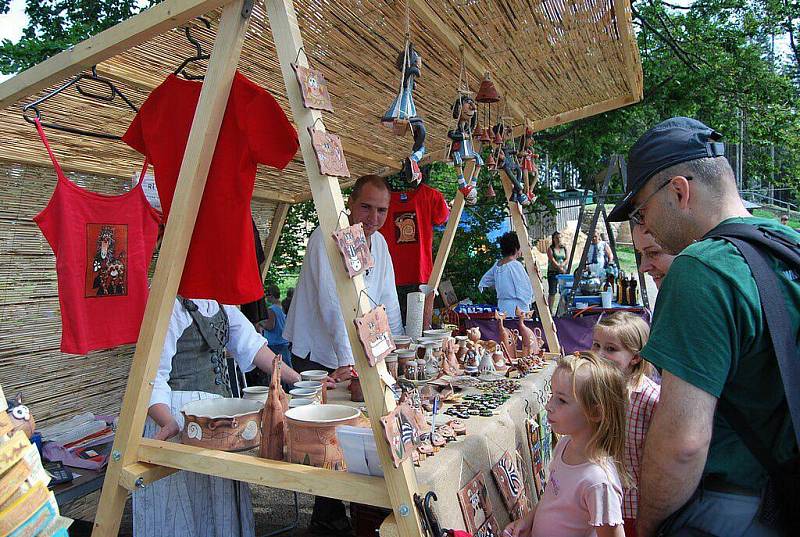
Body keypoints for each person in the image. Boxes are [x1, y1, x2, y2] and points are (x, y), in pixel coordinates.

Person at [606, 117, 799, 537]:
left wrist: (650, 525)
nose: (645, 226)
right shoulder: (787, 246)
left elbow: (682, 444)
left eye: (641, 210)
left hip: (735, 508)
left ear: (679, 190)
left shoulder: (701, 269)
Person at [283, 174, 403, 535]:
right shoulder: (326, 236)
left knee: (355, 433)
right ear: (350, 203)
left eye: (381, 209)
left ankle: (348, 513)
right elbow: (333, 308)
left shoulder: (379, 244)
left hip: (352, 354)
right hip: (316, 350)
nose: (374, 216)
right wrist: (350, 368)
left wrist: (392, 356)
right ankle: (327, 520)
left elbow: (386, 306)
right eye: (366, 206)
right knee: (329, 440)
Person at [135, 297, 306, 537]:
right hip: (180, 417)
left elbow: (254, 347)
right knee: (185, 505)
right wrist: (167, 421)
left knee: (219, 501)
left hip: (219, 422)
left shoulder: (221, 303)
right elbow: (152, 375)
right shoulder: (168, 302)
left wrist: (299, 380)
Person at [503, 352, 628, 537]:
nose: (548, 406)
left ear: (595, 413)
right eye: (552, 395)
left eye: (561, 400)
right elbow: (551, 498)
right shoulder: (564, 445)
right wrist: (528, 520)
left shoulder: (598, 483)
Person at [592, 312, 660, 537]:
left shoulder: (651, 399)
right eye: (596, 345)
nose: (599, 354)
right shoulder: (594, 391)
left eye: (610, 349)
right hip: (599, 500)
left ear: (636, 357)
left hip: (634, 507)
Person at [478, 231, 534, 316]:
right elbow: (526, 288)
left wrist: (501, 288)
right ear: (516, 248)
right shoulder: (515, 265)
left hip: (503, 305)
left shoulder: (497, 264)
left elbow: (485, 281)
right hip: (517, 307)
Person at [257, 284, 291, 367]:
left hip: (275, 342)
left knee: (277, 367)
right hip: (284, 340)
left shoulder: (271, 309)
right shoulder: (282, 306)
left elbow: (270, 326)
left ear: (271, 296)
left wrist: (261, 323)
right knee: (287, 365)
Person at [546, 231, 569, 305]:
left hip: (563, 271)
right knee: (552, 292)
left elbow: (567, 258)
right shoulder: (550, 249)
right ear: (553, 239)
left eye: (560, 237)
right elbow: (552, 260)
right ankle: (550, 310)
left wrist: (563, 266)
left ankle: (562, 309)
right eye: (556, 238)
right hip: (553, 272)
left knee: (564, 291)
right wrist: (560, 268)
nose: (558, 239)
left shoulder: (564, 248)